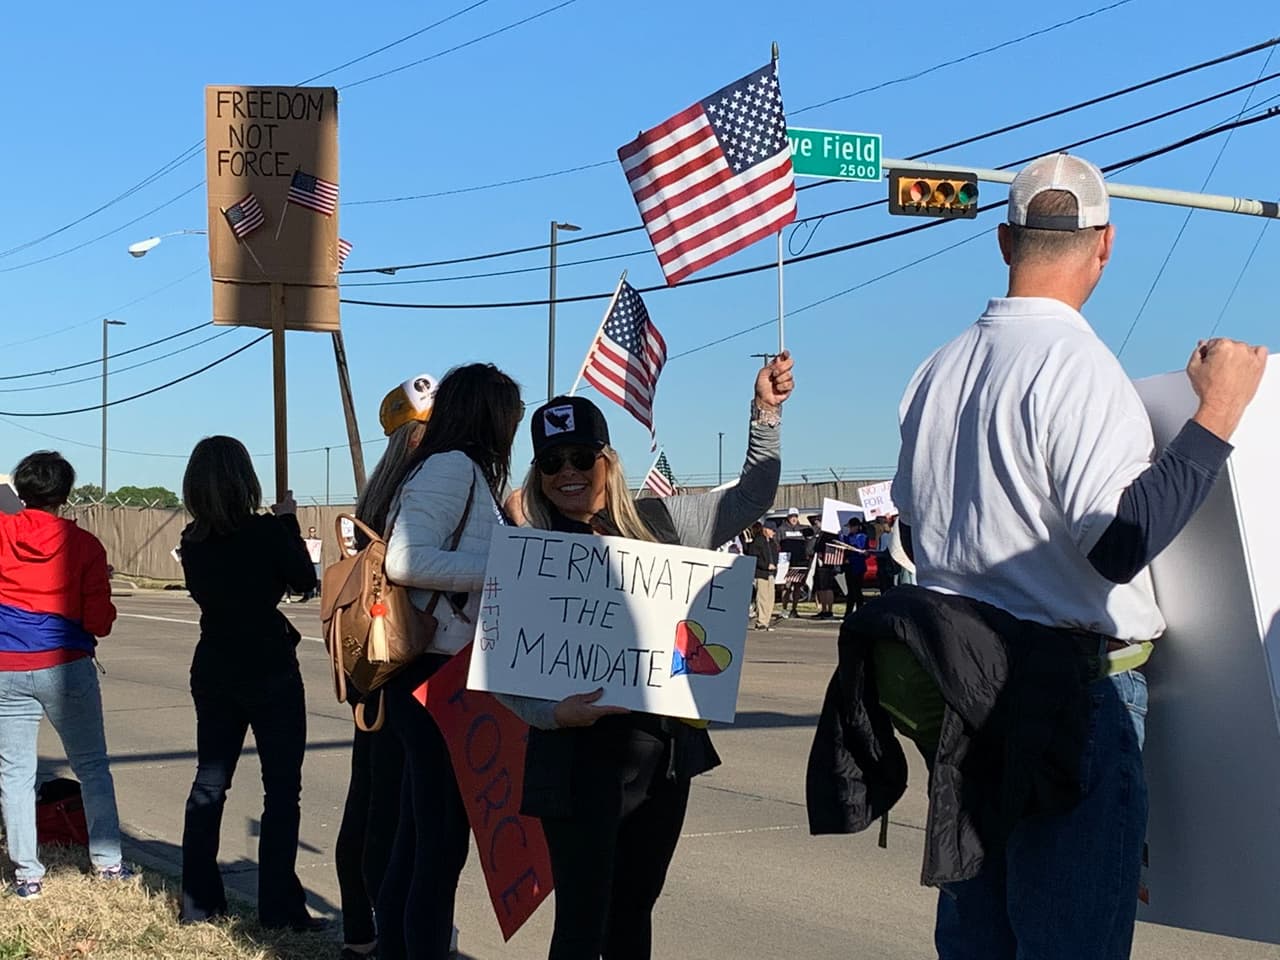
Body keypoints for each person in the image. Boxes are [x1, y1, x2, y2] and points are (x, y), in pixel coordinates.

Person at [890, 153, 1267, 959]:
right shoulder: (1079, 368)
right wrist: (1219, 414)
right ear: (1106, 243)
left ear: (1004, 241)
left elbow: (917, 538)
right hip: (1070, 699)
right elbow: (1118, 543)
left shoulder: (935, 372)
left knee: (980, 940)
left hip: (968, 697)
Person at [505, 352, 794, 960]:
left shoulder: (663, 522)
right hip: (573, 760)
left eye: (580, 457)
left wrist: (764, 414)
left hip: (660, 758)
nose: (567, 473)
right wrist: (553, 714)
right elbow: (507, 670)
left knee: (634, 910)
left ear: (607, 461)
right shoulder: (529, 552)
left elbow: (751, 498)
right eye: (552, 462)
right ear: (538, 474)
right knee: (581, 921)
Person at [376, 363, 523, 960]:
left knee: (420, 837)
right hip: (434, 674)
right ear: (487, 414)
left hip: (442, 670)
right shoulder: (452, 467)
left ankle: (395, 948)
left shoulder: (458, 469)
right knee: (438, 845)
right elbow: (405, 561)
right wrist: (504, 570)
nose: (514, 426)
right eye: (510, 414)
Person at [177, 436, 323, 931]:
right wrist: (288, 523)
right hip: (269, 667)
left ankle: (199, 902)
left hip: (215, 664)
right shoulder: (265, 532)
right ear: (245, 480)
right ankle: (279, 908)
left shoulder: (192, 541)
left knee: (210, 782)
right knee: (281, 791)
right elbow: (302, 581)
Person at [334, 375, 445, 960]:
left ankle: (362, 926)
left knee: (370, 798)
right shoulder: (420, 496)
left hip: (372, 660)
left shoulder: (376, 498)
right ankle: (384, 928)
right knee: (394, 809)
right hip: (406, 658)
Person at [0, 451, 131, 899]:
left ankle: (27, 875)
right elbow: (99, 622)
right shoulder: (85, 546)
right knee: (92, 765)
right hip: (66, 664)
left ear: (20, 490)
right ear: (65, 494)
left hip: (7, 663)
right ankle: (108, 864)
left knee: (15, 773)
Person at [776, 507, 813, 617]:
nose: (794, 519)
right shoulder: (781, 529)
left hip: (800, 562)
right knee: (786, 586)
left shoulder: (803, 529)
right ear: (788, 517)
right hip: (786, 562)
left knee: (797, 586)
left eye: (795, 516)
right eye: (791, 516)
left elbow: (811, 539)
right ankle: (784, 609)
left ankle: (794, 609)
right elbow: (776, 544)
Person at [748, 521, 779, 631]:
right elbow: (754, 558)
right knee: (762, 598)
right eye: (772, 530)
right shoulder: (758, 541)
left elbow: (775, 557)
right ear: (766, 529)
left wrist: (775, 567)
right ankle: (761, 621)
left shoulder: (772, 543)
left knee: (770, 598)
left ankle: (766, 621)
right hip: (761, 574)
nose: (774, 533)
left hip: (771, 574)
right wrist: (766, 565)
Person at [839, 518, 869, 618]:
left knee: (857, 590)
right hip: (849, 567)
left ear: (856, 527)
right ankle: (848, 613)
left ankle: (860, 612)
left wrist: (851, 557)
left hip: (858, 567)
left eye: (851, 527)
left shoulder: (862, 536)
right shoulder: (848, 536)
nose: (850, 529)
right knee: (850, 591)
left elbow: (861, 549)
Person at [301, 526, 323, 603]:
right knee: (307, 577)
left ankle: (316, 593)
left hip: (316, 561)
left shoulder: (318, 541)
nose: (312, 533)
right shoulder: (306, 541)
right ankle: (307, 594)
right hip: (308, 561)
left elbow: (320, 550)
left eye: (313, 531)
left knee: (317, 577)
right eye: (311, 531)